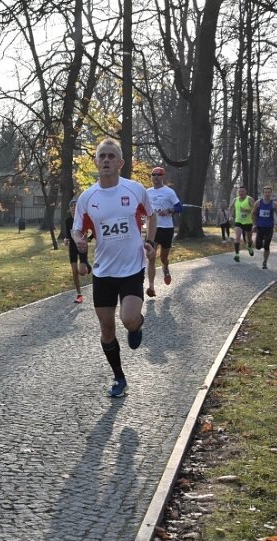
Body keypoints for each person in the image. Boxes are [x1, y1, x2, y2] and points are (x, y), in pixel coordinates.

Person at [71, 139, 157, 397]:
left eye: (111, 156)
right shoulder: (87, 198)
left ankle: (137, 325)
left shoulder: (135, 190)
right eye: (102, 156)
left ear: (120, 163)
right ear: (96, 162)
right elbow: (77, 230)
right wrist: (80, 241)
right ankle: (119, 377)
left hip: (131, 268)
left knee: (128, 320)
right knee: (107, 328)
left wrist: (150, 242)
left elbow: (151, 215)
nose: (106, 160)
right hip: (103, 273)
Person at [145, 167, 182, 297]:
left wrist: (168, 210)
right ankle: (151, 287)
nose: (155, 177)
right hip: (152, 228)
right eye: (153, 174)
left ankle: (165, 267)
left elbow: (179, 207)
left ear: (162, 177)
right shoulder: (147, 192)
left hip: (166, 228)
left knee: (163, 257)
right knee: (151, 257)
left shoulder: (169, 192)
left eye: (158, 175)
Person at [64, 197, 92, 304]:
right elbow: (67, 235)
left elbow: (93, 229)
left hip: (82, 247)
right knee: (74, 271)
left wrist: (89, 238)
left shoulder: (83, 219)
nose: (73, 208)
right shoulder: (68, 221)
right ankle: (79, 294)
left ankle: (88, 267)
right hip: (72, 248)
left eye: (75, 205)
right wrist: (66, 240)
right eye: (71, 206)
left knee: (82, 272)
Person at [251, 186, 277, 270]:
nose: (267, 194)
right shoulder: (258, 203)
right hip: (260, 227)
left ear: (271, 193)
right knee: (258, 246)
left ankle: (265, 262)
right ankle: (261, 242)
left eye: (269, 192)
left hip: (269, 228)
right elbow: (253, 213)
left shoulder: (274, 204)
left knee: (267, 246)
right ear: (263, 193)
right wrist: (254, 224)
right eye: (265, 192)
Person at [229, 186, 255, 262]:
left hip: (248, 222)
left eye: (242, 191)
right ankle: (237, 255)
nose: (241, 193)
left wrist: (247, 210)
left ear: (245, 192)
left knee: (249, 240)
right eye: (239, 192)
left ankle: (249, 247)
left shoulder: (249, 199)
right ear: (238, 193)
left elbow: (255, 209)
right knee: (237, 238)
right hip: (238, 222)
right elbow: (231, 207)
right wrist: (230, 216)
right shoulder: (235, 200)